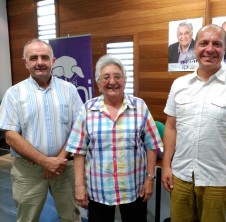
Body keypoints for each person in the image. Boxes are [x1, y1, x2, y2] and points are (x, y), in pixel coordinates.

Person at [162, 24, 226, 222]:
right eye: (203, 43)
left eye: (217, 44)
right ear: (194, 48)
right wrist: (166, 166)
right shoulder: (179, 85)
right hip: (181, 176)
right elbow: (171, 128)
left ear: (225, 48)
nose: (209, 49)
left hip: (217, 180)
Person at [65, 54, 163, 222]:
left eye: (117, 76)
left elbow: (151, 145)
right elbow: (78, 151)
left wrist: (150, 179)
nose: (112, 81)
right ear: (98, 83)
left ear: (124, 80)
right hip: (99, 188)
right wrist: (79, 186)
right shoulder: (87, 109)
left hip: (134, 187)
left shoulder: (139, 106)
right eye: (106, 77)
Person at [0, 39, 82, 221]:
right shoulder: (14, 94)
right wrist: (45, 161)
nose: (40, 62)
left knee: (72, 216)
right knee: (27, 218)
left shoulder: (70, 90)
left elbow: (78, 129)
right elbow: (11, 137)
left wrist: (58, 160)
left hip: (65, 168)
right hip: (28, 170)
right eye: (34, 58)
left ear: (53, 60)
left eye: (45, 57)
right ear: (25, 62)